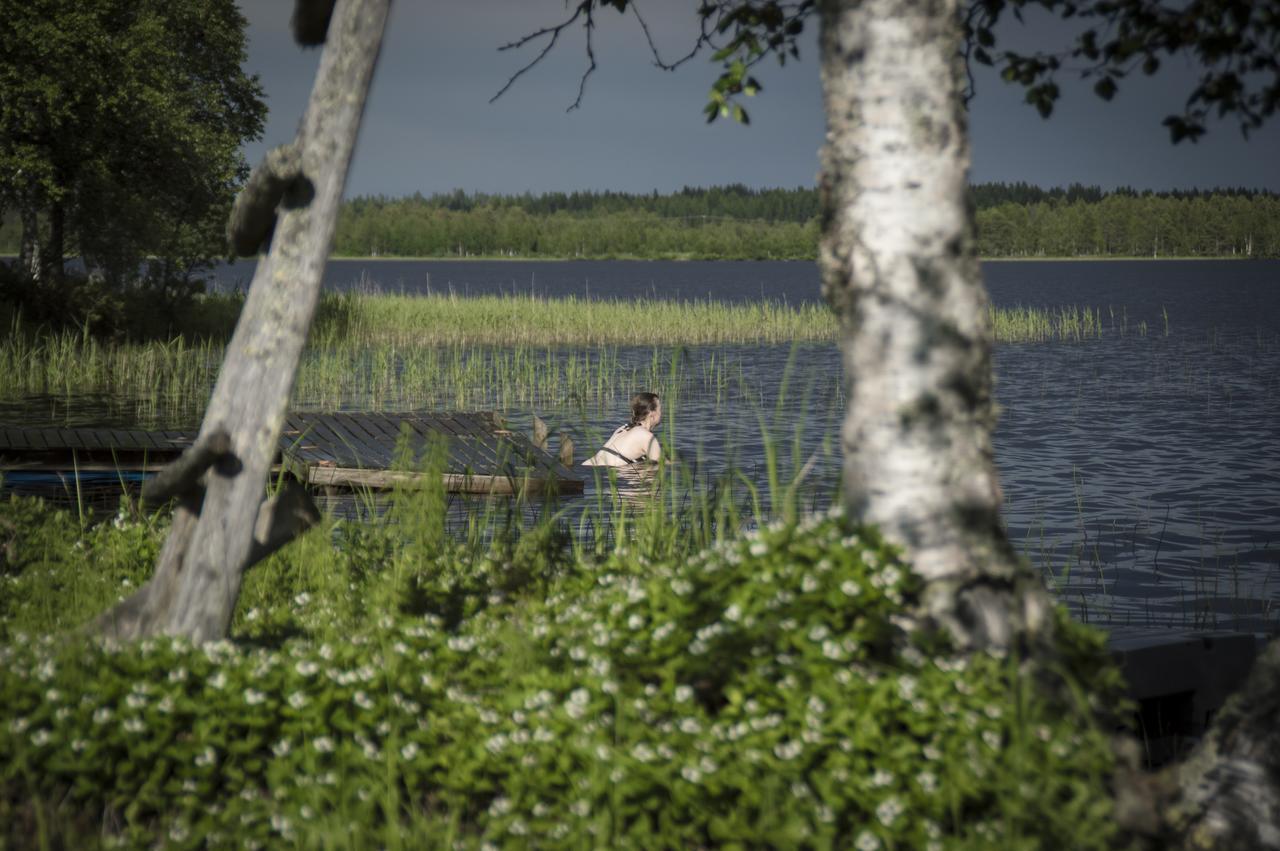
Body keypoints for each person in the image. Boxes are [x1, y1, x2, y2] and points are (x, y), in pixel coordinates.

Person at [582, 392, 663, 467]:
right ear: (652, 414)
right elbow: (661, 464)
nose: (661, 413)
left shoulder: (623, 428)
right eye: (659, 409)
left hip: (586, 466)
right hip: (602, 472)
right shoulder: (646, 436)